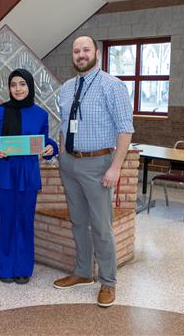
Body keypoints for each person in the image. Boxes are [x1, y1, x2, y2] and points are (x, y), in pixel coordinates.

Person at [53, 36, 134, 308]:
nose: (81, 55)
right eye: (76, 51)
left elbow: (125, 129)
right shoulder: (66, 88)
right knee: (78, 221)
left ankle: (108, 282)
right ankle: (83, 272)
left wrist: (115, 167)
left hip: (98, 165)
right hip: (70, 164)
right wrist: (63, 156)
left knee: (101, 226)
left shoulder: (112, 86)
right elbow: (64, 126)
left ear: (96, 53)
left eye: (86, 50)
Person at [0, 68, 58, 284]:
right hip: (4, 173)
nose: (18, 88)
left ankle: (23, 267)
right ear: (9, 87)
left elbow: (45, 141)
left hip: (28, 175)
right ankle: (5, 268)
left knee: (25, 221)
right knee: (6, 221)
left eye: (22, 84)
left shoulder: (40, 114)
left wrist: (52, 148)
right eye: (13, 84)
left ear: (29, 86)